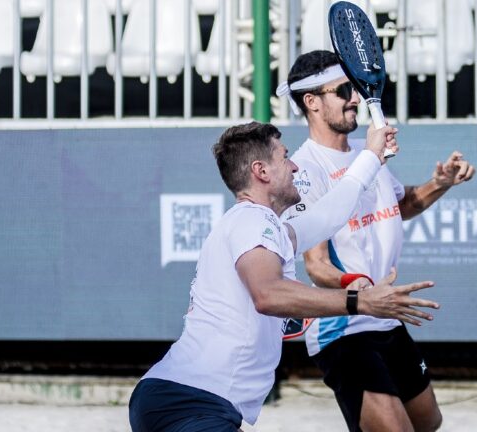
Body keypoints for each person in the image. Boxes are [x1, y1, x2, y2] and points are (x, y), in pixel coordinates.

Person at [128, 121, 440, 432]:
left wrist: (371, 155)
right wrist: (361, 301)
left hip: (189, 402)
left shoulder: (268, 229)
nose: (294, 167)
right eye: (285, 157)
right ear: (261, 171)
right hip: (188, 402)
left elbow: (331, 213)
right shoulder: (252, 220)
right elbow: (268, 294)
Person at [279, 51, 476, 432]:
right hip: (344, 327)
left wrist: (441, 183)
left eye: (354, 88)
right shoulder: (306, 170)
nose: (355, 98)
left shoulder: (365, 153)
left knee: (428, 422)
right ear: (312, 102)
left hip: (384, 317)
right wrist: (365, 290)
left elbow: (400, 205)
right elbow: (318, 267)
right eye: (343, 91)